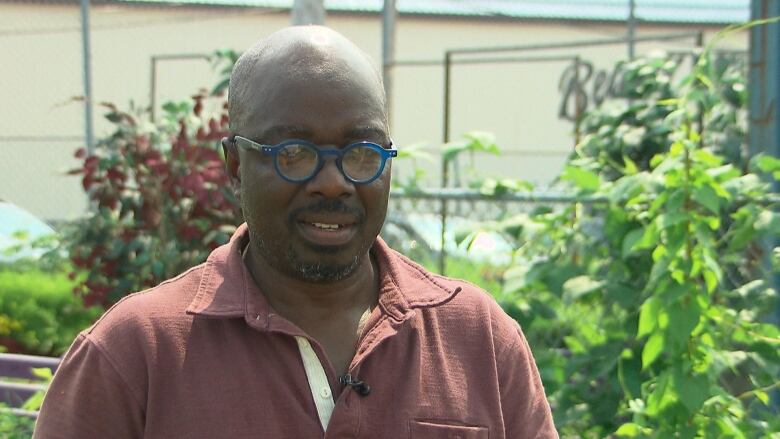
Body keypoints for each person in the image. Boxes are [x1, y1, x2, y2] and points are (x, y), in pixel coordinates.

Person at [33, 26, 557, 438]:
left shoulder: (478, 339)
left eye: (362, 152)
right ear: (235, 165)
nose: (333, 183)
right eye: (294, 153)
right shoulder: (135, 353)